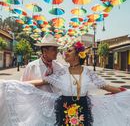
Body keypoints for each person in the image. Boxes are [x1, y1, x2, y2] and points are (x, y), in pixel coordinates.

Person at [0, 41, 130, 126]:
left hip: (83, 109)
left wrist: (124, 92)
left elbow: (105, 86)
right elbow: (41, 81)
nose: (64, 53)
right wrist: (14, 84)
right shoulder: (61, 72)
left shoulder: (88, 73)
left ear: (78, 55)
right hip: (64, 109)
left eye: (69, 51)